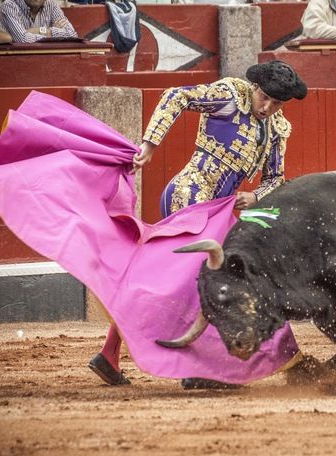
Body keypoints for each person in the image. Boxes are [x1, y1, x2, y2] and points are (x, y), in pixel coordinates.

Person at [88, 60, 307, 390]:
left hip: (220, 210)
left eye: (277, 103)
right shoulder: (230, 96)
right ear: (255, 88)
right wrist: (150, 144)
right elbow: (176, 96)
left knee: (163, 277)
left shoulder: (277, 128)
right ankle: (200, 368)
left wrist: (255, 196)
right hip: (190, 192)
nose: (268, 108)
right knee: (203, 280)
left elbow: (275, 177)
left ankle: (110, 353)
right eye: (265, 98)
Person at [0, 0, 77, 43]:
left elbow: (72, 34)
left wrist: (40, 30)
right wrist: (54, 34)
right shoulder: (9, 5)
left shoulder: (51, 5)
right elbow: (22, 39)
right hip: (12, 60)